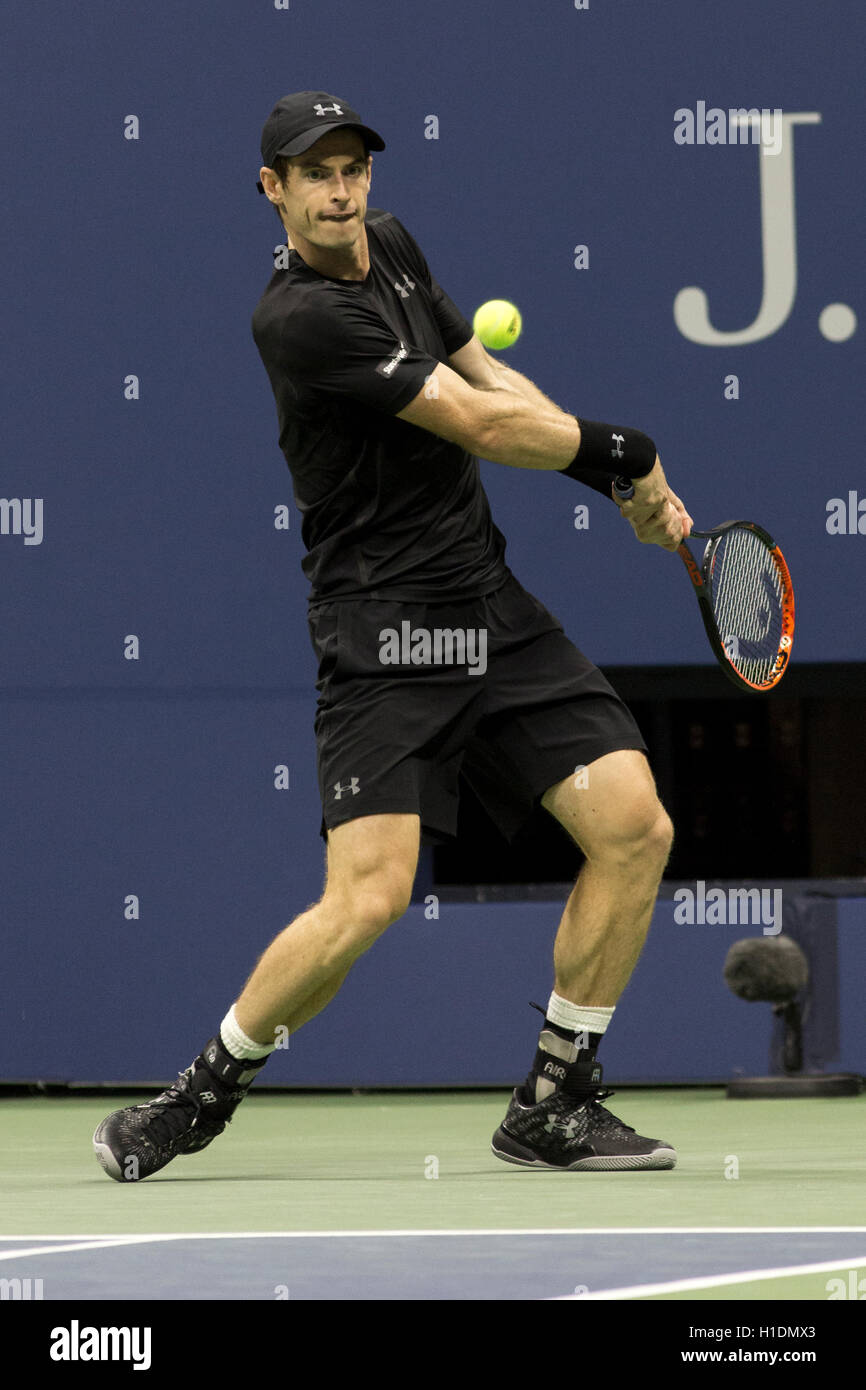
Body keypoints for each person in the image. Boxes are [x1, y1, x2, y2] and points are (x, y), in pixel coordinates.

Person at [93, 91, 693, 1184]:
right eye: (312, 173)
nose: (339, 189)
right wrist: (624, 452)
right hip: (382, 633)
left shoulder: (396, 247)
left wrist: (607, 480)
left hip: (489, 604)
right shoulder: (300, 320)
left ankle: (553, 1100)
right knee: (368, 896)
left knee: (633, 825)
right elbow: (471, 424)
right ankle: (201, 1089)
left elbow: (488, 377)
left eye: (351, 167)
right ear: (270, 190)